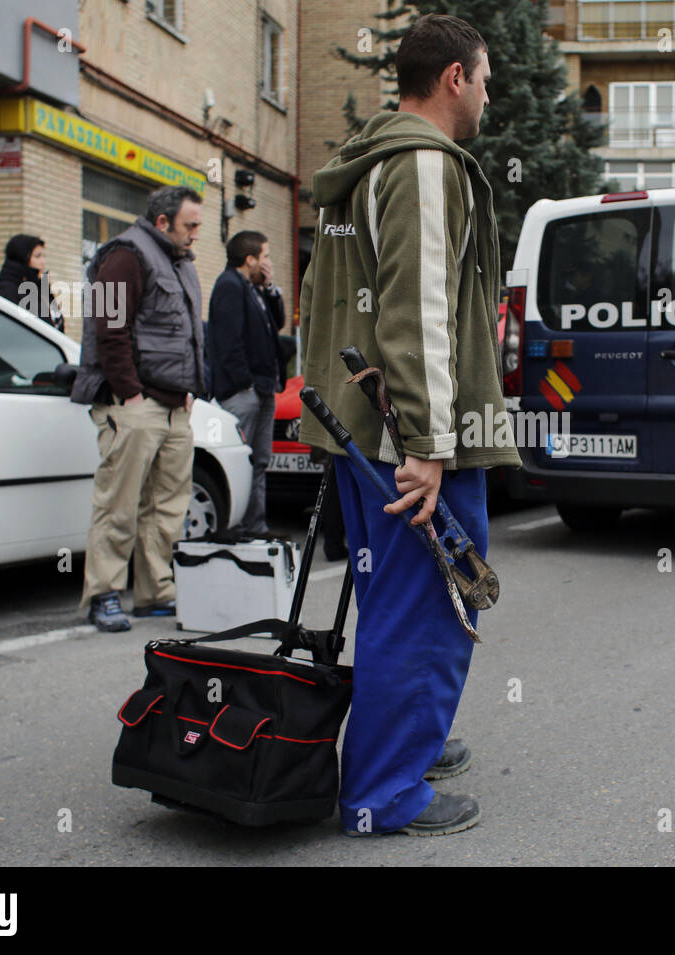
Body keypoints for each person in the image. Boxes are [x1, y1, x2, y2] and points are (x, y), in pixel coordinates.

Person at [298, 12, 519, 836]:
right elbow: (418, 313)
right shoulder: (425, 165)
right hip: (410, 437)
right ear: (455, 78)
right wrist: (425, 446)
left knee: (394, 601)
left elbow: (333, 304)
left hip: (363, 431)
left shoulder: (365, 166)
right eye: (487, 79)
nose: (490, 94)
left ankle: (403, 748)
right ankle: (384, 793)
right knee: (428, 605)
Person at [70, 185, 206, 631]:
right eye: (191, 225)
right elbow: (110, 328)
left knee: (167, 507)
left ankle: (155, 592)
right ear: (163, 222)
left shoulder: (179, 261)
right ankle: (104, 593)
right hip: (136, 403)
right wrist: (129, 392)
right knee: (119, 504)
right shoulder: (125, 255)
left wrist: (189, 391)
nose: (197, 234)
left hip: (173, 405)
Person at [206, 230, 287, 537]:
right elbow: (229, 342)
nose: (268, 262)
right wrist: (244, 384)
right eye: (264, 256)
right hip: (245, 391)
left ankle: (255, 525)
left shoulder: (253, 288)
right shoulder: (229, 285)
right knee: (242, 460)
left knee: (258, 460)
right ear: (250, 259)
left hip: (263, 388)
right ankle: (238, 525)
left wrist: (269, 286)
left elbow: (276, 322)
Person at [0, 234, 63, 330]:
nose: (43, 262)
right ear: (22, 259)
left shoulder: (41, 288)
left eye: (43, 256)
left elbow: (56, 325)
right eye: (37, 256)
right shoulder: (7, 291)